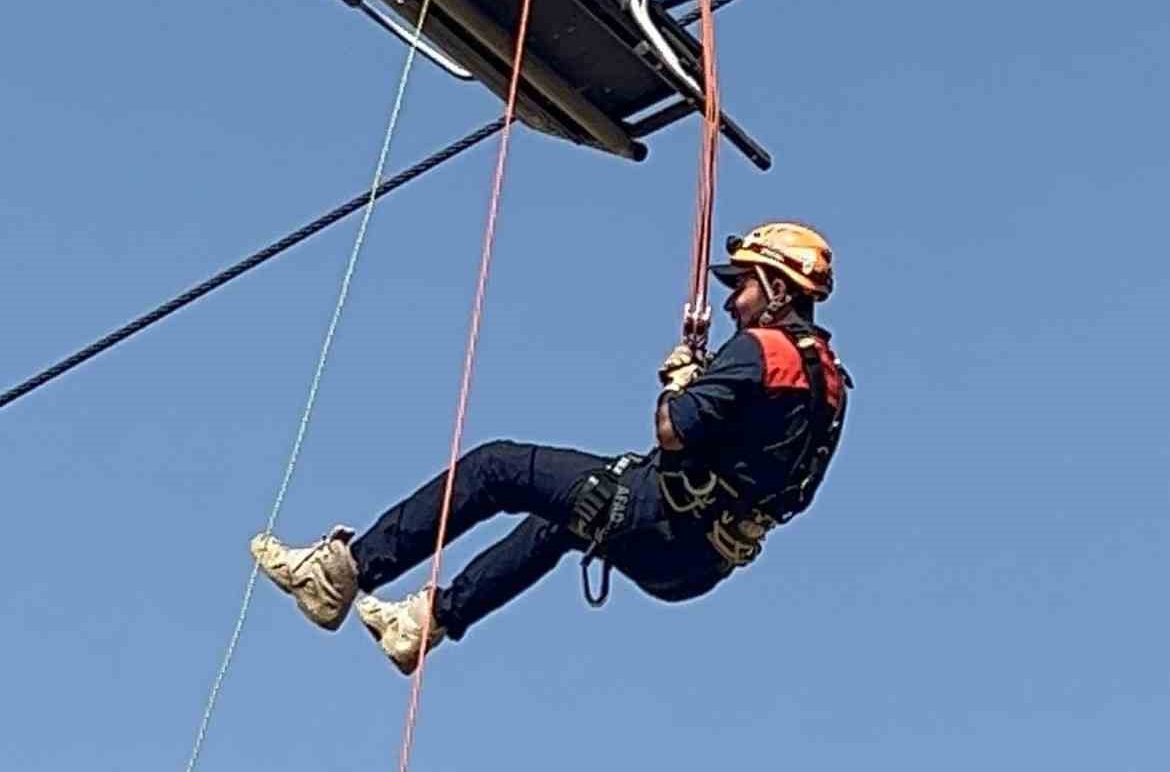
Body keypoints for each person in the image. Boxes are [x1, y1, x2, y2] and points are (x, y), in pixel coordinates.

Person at [250, 222, 850, 674]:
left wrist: (680, 379)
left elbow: (671, 430)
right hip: (698, 563)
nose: (730, 301)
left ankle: (344, 571)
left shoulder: (762, 349)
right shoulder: (829, 382)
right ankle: (425, 622)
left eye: (741, 284)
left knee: (495, 468)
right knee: (562, 519)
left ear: (776, 288)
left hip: (662, 517)